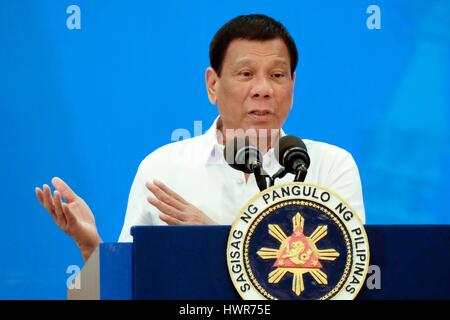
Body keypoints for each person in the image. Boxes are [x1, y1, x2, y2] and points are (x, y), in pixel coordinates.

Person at [35, 14, 365, 262]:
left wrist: (216, 238)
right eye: (246, 74)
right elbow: (129, 286)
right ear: (212, 85)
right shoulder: (163, 169)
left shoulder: (329, 166)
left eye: (277, 75)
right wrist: (91, 246)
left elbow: (343, 275)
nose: (263, 90)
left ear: (293, 84)